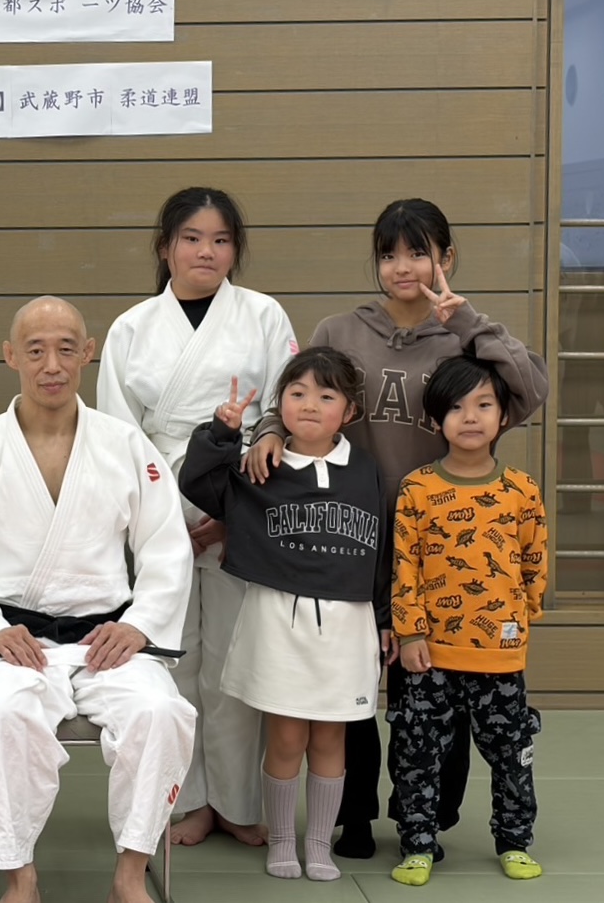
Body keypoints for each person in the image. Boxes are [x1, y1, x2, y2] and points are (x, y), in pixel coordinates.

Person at [245, 199, 550, 859]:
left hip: (439, 545)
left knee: (429, 691)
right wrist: (268, 429)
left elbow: (529, 392)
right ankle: (352, 817)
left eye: (418, 252)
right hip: (346, 536)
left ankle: (426, 816)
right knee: (348, 687)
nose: (402, 267)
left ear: (447, 258)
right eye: (389, 254)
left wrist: (467, 321)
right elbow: (296, 395)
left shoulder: (464, 337)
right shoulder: (340, 329)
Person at [0, 296, 197, 903]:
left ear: (87, 354)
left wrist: (142, 623)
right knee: (0, 713)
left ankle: (130, 873)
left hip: (108, 640)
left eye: (66, 349)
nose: (52, 364)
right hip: (15, 641)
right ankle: (20, 876)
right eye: (36, 350)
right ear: (10, 356)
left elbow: (166, 547)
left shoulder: (126, 445)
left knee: (162, 712)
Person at [97, 187, 297, 848]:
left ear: (236, 250)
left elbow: (283, 417)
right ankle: (187, 801)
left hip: (245, 496)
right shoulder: (131, 328)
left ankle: (237, 802)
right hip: (159, 503)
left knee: (234, 664)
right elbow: (118, 435)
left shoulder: (264, 315)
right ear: (165, 248)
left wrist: (232, 514)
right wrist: (160, 525)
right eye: (191, 238)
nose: (205, 251)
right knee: (170, 660)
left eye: (220, 239)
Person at [179, 349, 392, 882]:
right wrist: (225, 434)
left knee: (331, 739)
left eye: (326, 395)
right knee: (286, 737)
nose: (310, 405)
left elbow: (382, 553)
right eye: (297, 394)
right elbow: (197, 484)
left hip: (346, 625)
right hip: (278, 620)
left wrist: (387, 617)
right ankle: (281, 840)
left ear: (350, 411)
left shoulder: (367, 470)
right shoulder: (262, 464)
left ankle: (317, 844)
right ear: (280, 404)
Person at [389, 355, 547, 886]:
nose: (470, 417)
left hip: (501, 654)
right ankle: (417, 843)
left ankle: (515, 841)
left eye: (483, 405)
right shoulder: (416, 488)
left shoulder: (522, 489)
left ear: (503, 416)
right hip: (430, 654)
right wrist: (410, 631)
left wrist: (522, 617)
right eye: (456, 407)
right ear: (437, 420)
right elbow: (405, 566)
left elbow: (535, 560)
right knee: (417, 752)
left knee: (512, 755)